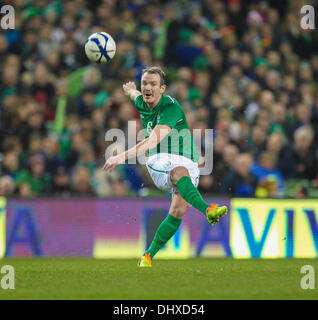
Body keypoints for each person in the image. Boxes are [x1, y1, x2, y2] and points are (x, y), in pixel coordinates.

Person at [103, 66, 227, 267]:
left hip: (189, 160)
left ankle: (148, 256)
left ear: (163, 89)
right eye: (144, 83)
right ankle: (208, 209)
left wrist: (122, 156)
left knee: (178, 210)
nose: (147, 88)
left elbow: (153, 139)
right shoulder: (142, 101)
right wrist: (130, 90)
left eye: (153, 84)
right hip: (160, 159)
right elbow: (138, 102)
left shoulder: (170, 108)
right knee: (179, 173)